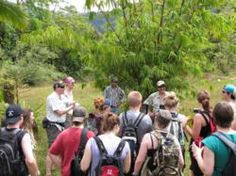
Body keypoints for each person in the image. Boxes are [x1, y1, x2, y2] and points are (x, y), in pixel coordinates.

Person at [133, 110, 184, 176]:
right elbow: (181, 162)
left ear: (156, 121)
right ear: (169, 123)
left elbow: (139, 160)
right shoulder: (174, 139)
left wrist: (135, 173)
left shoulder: (149, 137)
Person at [192, 102, 236, 176]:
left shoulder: (210, 142)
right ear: (232, 118)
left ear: (214, 119)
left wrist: (197, 155)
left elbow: (208, 172)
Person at [49, 106, 94, 176]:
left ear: (72, 118)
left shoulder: (63, 134)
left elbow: (52, 153)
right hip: (84, 173)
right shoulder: (90, 135)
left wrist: (63, 165)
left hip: (67, 173)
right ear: (85, 119)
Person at [44, 81, 75, 176]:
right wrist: (70, 108)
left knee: (61, 147)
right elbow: (59, 112)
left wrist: (73, 104)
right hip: (53, 125)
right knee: (52, 148)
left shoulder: (61, 96)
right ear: (56, 88)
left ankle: (60, 167)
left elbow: (70, 102)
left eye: (63, 86)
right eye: (61, 86)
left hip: (61, 125)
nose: (63, 88)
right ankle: (48, 172)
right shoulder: (52, 97)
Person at [119, 91, 153, 174]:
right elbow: (150, 138)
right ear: (140, 103)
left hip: (123, 153)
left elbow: (119, 134)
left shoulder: (121, 116)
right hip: (140, 154)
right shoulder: (146, 119)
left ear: (128, 103)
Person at [0, 104, 39, 176]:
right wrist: (35, 173)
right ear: (21, 117)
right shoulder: (23, 135)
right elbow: (30, 161)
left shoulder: (1, 131)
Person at [184, 90, 214, 176]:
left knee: (197, 169)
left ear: (198, 101)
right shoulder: (212, 112)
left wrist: (185, 126)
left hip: (199, 145)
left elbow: (194, 135)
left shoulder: (199, 116)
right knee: (193, 168)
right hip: (209, 143)